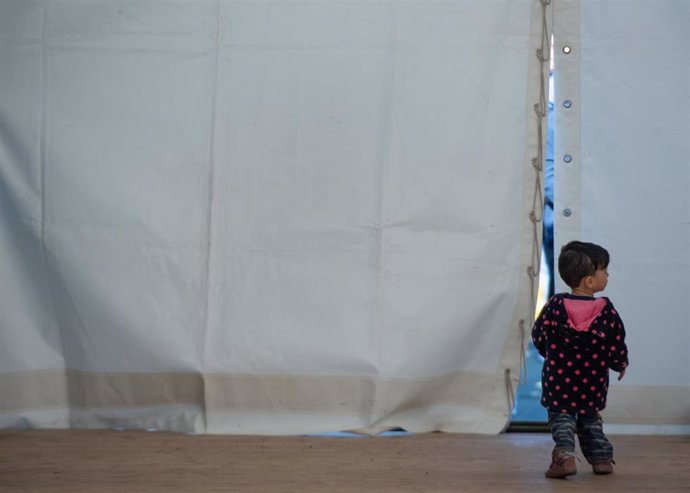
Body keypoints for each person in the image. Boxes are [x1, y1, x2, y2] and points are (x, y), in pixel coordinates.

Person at [532, 241, 629, 479]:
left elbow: (538, 335)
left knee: (562, 418)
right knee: (590, 418)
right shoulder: (606, 310)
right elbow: (616, 341)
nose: (607, 275)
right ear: (589, 281)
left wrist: (551, 355)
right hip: (592, 381)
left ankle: (564, 457)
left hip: (559, 379)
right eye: (604, 271)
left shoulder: (554, 306)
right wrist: (620, 363)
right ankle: (602, 459)